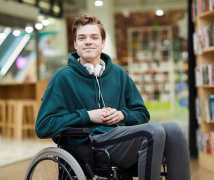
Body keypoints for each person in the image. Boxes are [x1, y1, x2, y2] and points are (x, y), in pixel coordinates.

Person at [35, 14, 190, 180]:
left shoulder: (119, 73)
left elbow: (142, 113)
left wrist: (122, 115)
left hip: (121, 139)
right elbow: (43, 126)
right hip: (90, 145)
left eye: (94, 37)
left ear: (102, 43)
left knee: (174, 130)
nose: (88, 41)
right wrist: (87, 115)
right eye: (82, 37)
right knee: (152, 131)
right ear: (75, 44)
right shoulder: (63, 78)